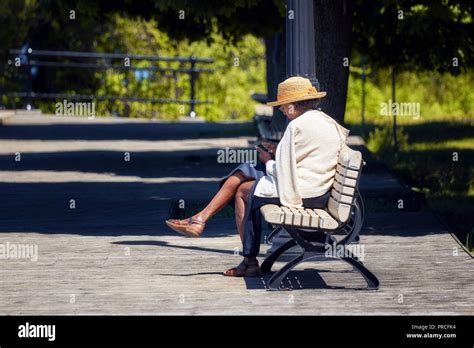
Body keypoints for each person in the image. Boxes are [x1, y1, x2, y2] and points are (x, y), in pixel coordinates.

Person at [165, 76, 349, 277]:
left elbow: (285, 171)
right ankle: (201, 221)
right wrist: (278, 151)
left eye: (282, 106)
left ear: (290, 106)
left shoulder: (297, 126)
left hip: (306, 192)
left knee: (243, 190)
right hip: (316, 187)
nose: (281, 110)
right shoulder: (324, 121)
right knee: (245, 173)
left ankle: (243, 256)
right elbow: (306, 155)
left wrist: (269, 159)